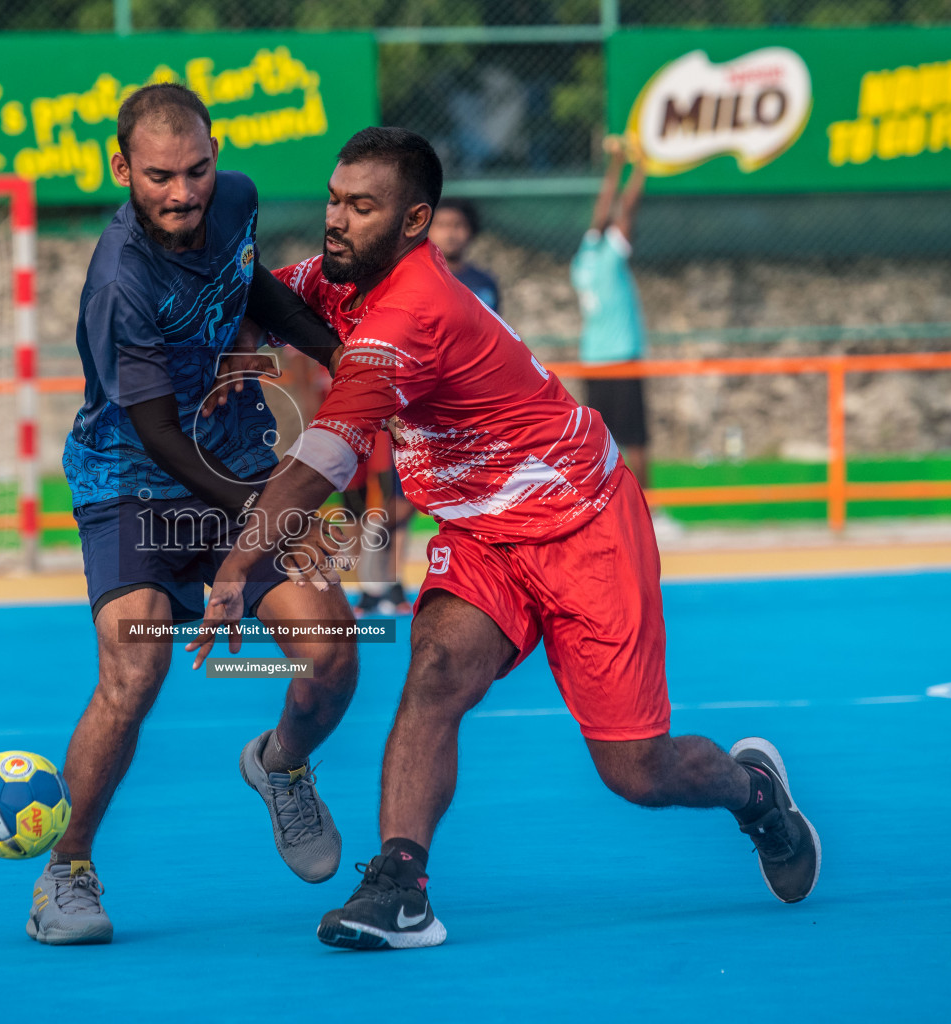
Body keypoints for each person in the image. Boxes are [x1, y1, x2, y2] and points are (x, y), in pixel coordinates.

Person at [191, 127, 821, 950]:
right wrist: (232, 341)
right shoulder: (344, 276)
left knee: (637, 772)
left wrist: (239, 564)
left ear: (416, 222)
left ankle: (755, 794)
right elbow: (269, 298)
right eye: (336, 199)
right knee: (436, 669)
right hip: (483, 535)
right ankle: (400, 888)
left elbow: (328, 454)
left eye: (362, 206)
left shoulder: (414, 310)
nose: (336, 219)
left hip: (584, 527)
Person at [33, 83, 359, 946]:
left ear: (217, 156)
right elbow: (160, 436)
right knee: (136, 673)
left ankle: (279, 766)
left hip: (240, 453)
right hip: (133, 480)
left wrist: (340, 355)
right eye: (160, 176)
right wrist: (278, 517)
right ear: (121, 170)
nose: (183, 193)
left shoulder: (238, 200)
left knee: (332, 654)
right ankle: (66, 870)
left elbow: (248, 287)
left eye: (197, 170)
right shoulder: (119, 282)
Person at [350, 198, 505, 618]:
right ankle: (374, 586)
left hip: (471, 413)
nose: (452, 232)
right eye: (444, 224)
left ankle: (469, 584)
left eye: (459, 224)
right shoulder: (411, 280)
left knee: (460, 503)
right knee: (394, 502)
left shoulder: (484, 283)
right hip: (414, 408)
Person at [571, 136, 681, 537]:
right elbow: (625, 209)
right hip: (619, 357)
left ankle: (597, 508)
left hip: (593, 360)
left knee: (601, 439)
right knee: (636, 439)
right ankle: (651, 512)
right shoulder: (611, 258)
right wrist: (642, 166)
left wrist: (616, 164)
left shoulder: (583, 260)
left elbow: (603, 209)